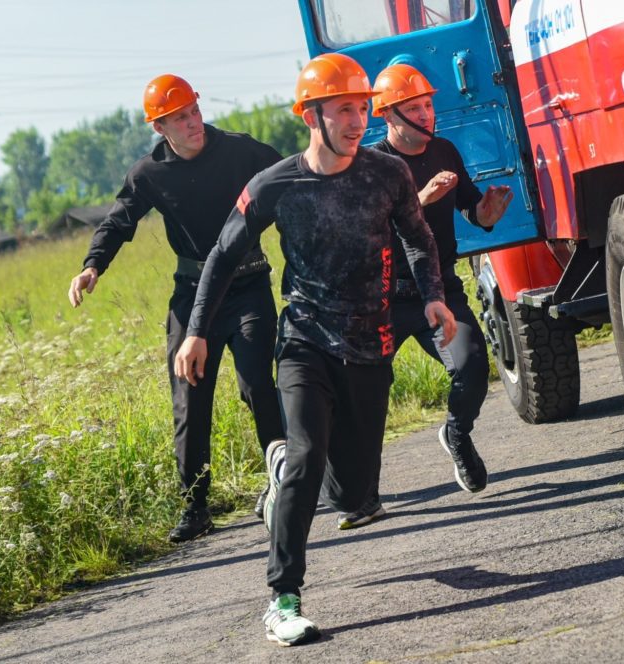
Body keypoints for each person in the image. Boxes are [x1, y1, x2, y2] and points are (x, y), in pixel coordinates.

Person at [173, 53, 456, 647]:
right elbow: (222, 256)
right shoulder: (274, 184)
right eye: (344, 111)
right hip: (304, 340)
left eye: (362, 109)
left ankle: (308, 480)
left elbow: (419, 236)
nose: (359, 121)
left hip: (370, 343)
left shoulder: (386, 175)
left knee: (355, 493)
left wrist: (432, 296)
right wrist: (197, 329)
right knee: (304, 457)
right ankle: (282, 598)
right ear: (311, 117)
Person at [67, 74, 285, 544]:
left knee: (257, 386)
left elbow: (292, 175)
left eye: (194, 111)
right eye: (180, 118)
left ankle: (284, 482)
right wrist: (92, 266)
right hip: (191, 297)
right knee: (190, 398)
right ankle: (195, 506)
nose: (194, 123)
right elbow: (119, 221)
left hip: (247, 286)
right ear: (160, 128)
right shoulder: (149, 173)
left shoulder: (240, 149)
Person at [330, 63, 514, 530]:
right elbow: (366, 231)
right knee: (369, 397)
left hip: (440, 287)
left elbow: (472, 207)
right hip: (384, 298)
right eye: (414, 108)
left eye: (428, 104)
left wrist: (485, 212)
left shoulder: (445, 150)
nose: (427, 114)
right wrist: (420, 201)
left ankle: (456, 433)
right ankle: (362, 496)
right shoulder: (369, 167)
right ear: (387, 116)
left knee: (473, 365)